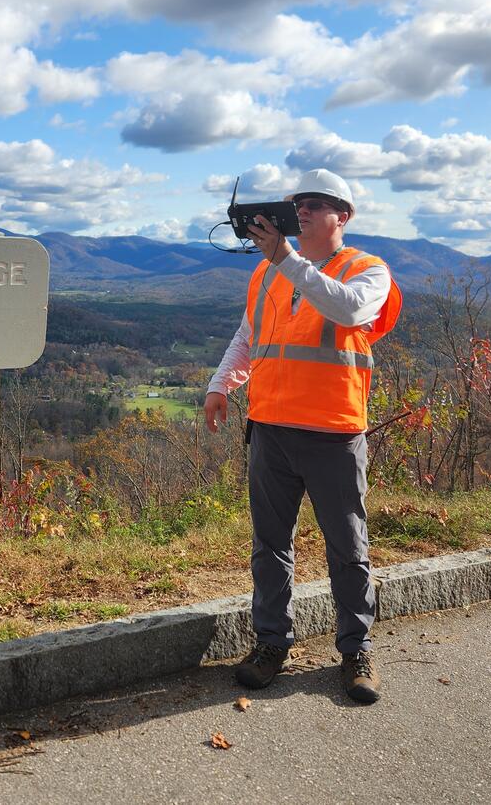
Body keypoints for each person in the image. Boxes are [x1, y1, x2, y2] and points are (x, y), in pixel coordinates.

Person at [204, 168, 401, 704]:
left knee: (348, 546)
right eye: (297, 203)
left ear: (345, 215)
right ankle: (271, 643)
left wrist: (286, 259)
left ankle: (356, 649)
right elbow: (250, 335)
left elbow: (350, 308)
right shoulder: (268, 273)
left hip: (334, 432)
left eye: (317, 203)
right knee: (270, 546)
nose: (304, 210)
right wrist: (222, 383)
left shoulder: (369, 270)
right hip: (271, 428)